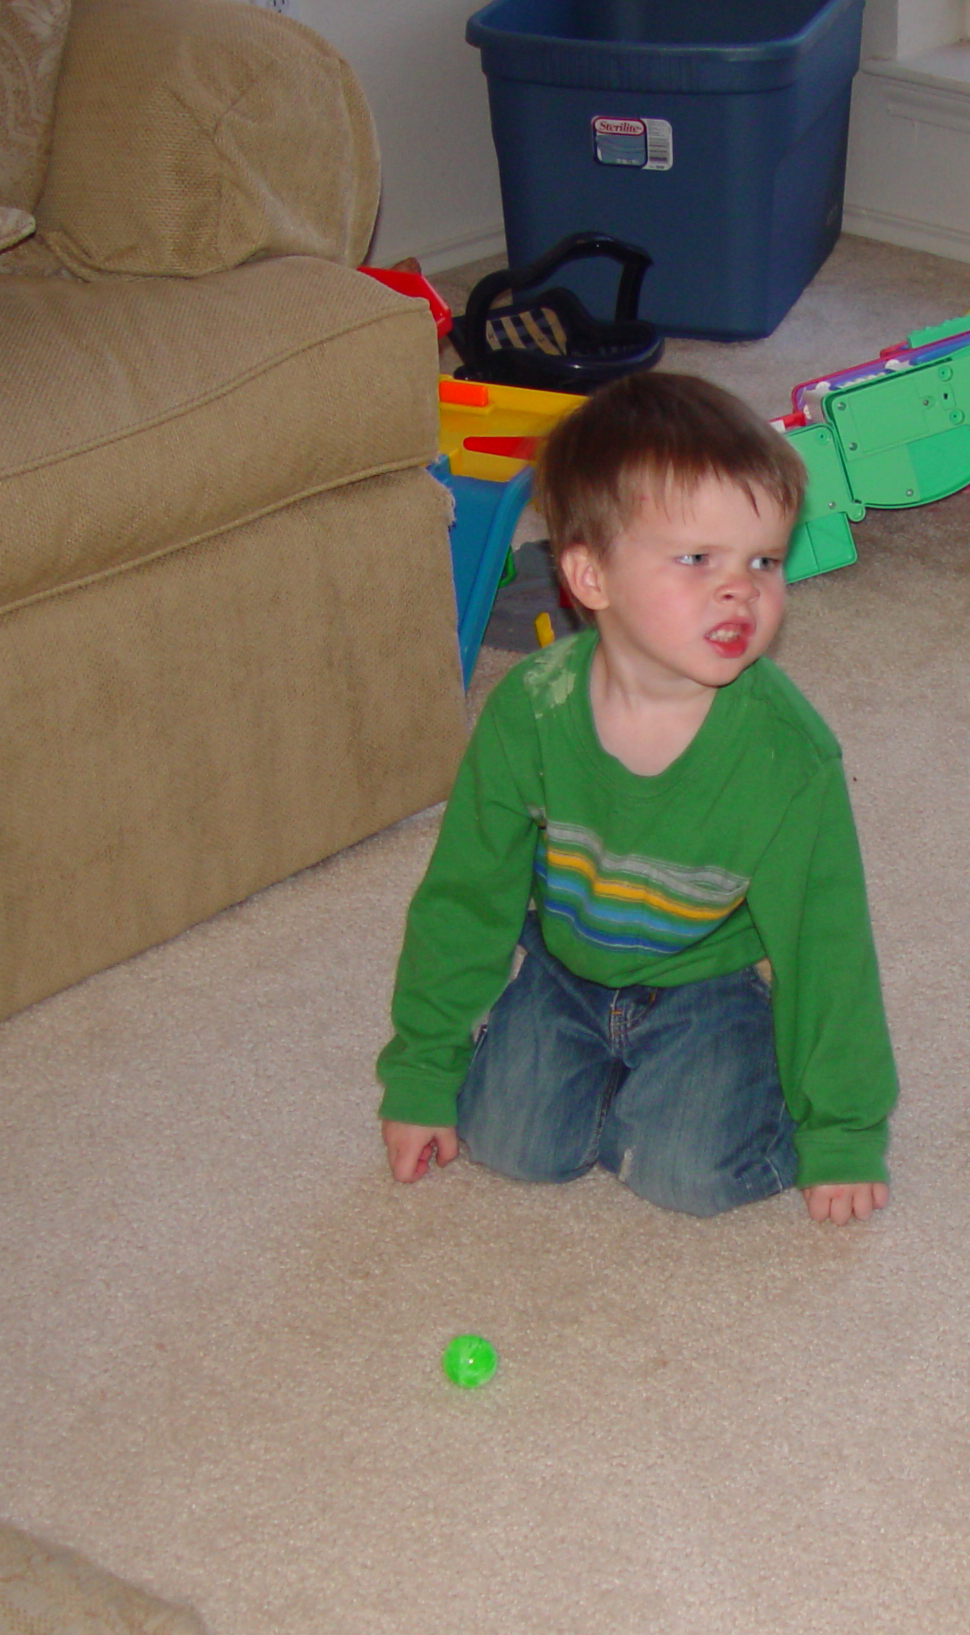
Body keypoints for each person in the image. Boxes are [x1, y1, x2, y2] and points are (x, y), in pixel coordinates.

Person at [377, 370, 898, 1222]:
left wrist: (841, 1131)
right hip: (566, 967)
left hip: (709, 980)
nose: (742, 590)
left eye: (762, 560)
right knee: (509, 1145)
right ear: (590, 576)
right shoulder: (531, 714)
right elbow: (467, 896)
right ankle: (620, 1076)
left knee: (685, 1174)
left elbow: (827, 945)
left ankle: (743, 1067)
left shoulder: (785, 755)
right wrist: (424, 1072)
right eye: (696, 559)